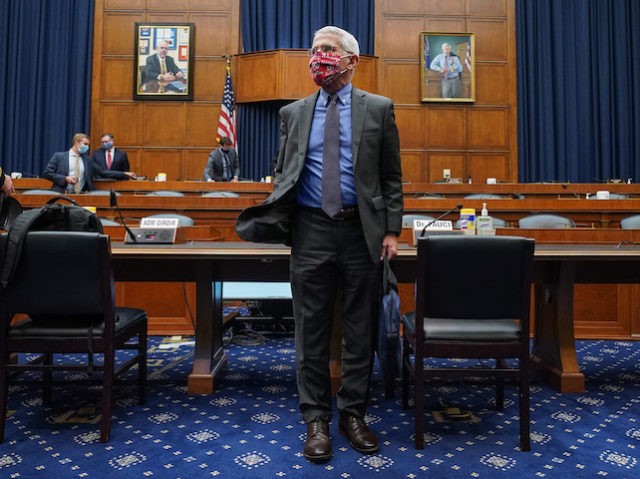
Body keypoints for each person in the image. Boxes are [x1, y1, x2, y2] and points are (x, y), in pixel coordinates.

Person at [235, 26, 403, 462]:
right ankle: (315, 419)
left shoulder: (380, 109)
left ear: (352, 60)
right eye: (314, 51)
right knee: (310, 330)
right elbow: (283, 170)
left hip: (360, 232)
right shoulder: (292, 113)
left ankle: (353, 415)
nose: (318, 57)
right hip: (310, 231)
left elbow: (391, 177)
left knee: (359, 330)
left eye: (327, 50)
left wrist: (392, 230)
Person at [43, 133, 135, 193]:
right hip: (61, 194)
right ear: (76, 142)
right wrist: (65, 178)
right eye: (85, 144)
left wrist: (124, 173)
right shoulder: (59, 156)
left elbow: (103, 172)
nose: (87, 147)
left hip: (81, 195)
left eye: (88, 145)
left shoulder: (88, 160)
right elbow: (47, 173)